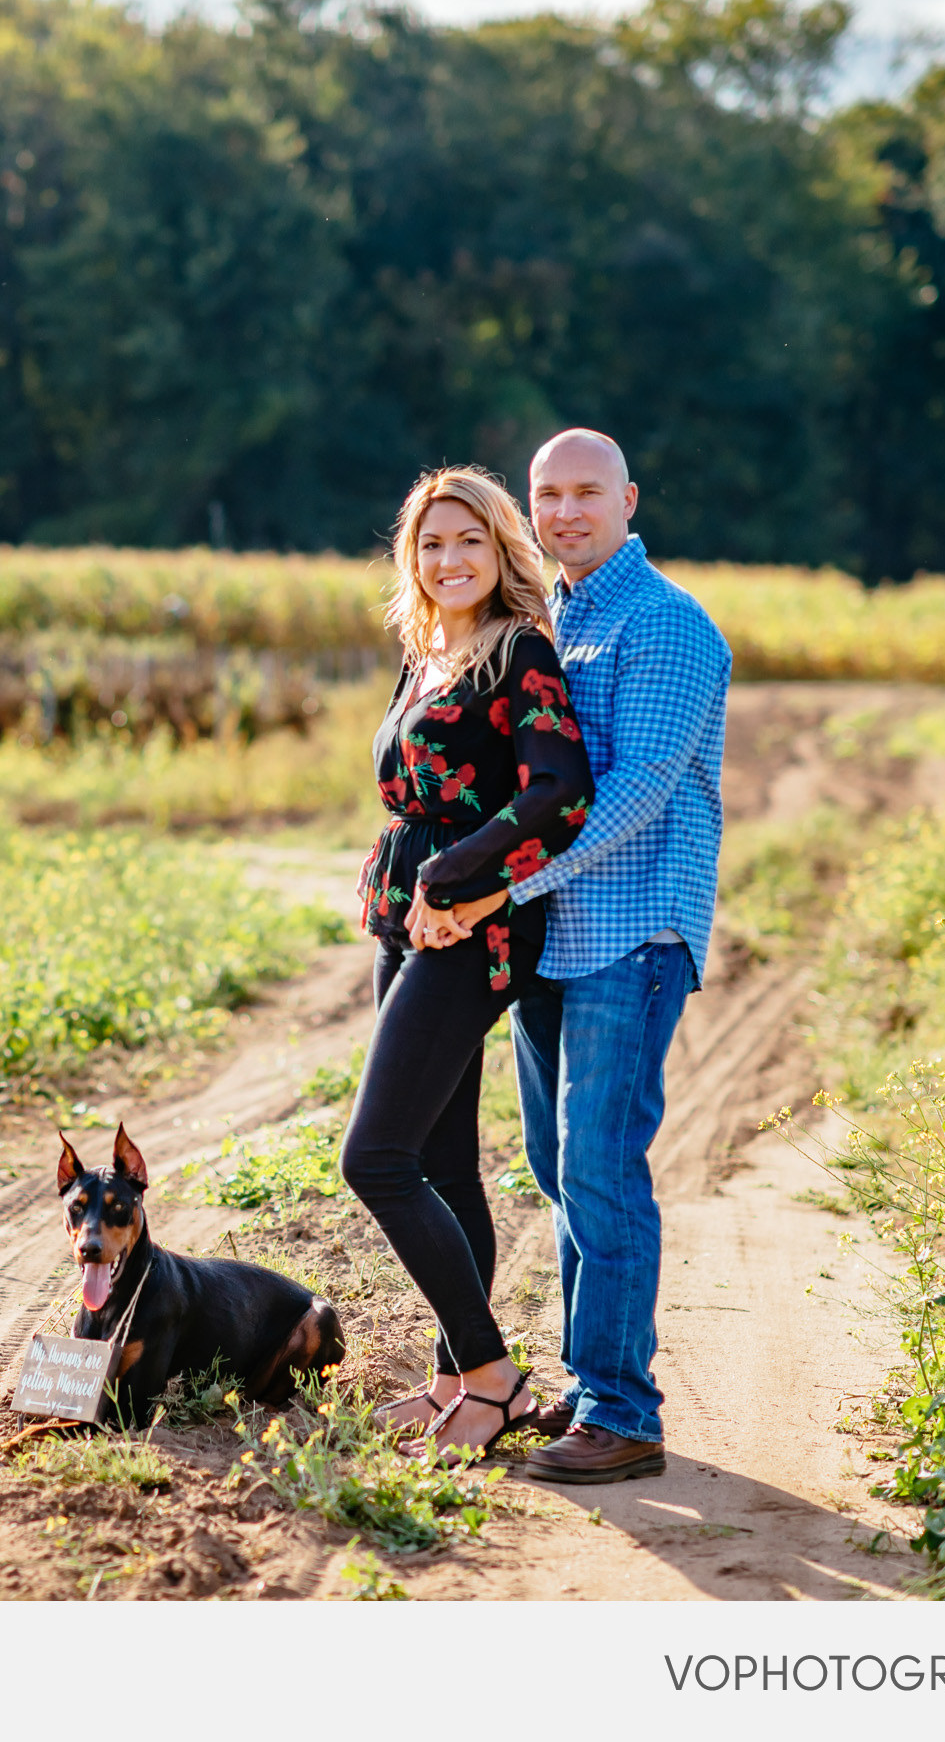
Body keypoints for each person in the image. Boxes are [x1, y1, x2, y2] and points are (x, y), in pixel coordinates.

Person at [339, 465, 595, 1456]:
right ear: (414, 557)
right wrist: (402, 884)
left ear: (502, 550)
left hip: (473, 925)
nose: (450, 560)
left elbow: (557, 792)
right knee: (440, 1160)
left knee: (375, 1157)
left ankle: (491, 1371)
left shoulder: (518, 654)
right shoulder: (426, 653)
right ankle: (457, 1382)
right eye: (431, 544)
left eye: (470, 542)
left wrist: (455, 873)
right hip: (405, 919)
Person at [506, 429, 730, 1485]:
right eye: (547, 495)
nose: (564, 512)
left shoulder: (669, 624)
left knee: (601, 1167)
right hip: (551, 939)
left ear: (628, 499)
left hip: (632, 931)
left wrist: (506, 885)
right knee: (559, 1172)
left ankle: (626, 1415)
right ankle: (591, 1380)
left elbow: (638, 793)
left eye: (585, 493)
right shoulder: (549, 620)